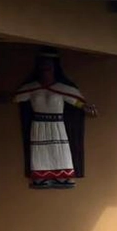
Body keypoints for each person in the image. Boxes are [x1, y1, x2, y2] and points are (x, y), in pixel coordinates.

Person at [13, 48, 97, 188]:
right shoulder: (31, 88)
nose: (45, 70)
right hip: (38, 125)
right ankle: (40, 178)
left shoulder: (63, 88)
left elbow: (76, 102)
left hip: (57, 124)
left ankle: (63, 177)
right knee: (40, 152)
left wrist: (86, 108)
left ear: (55, 68)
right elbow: (16, 97)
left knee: (60, 150)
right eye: (43, 67)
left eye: (49, 67)